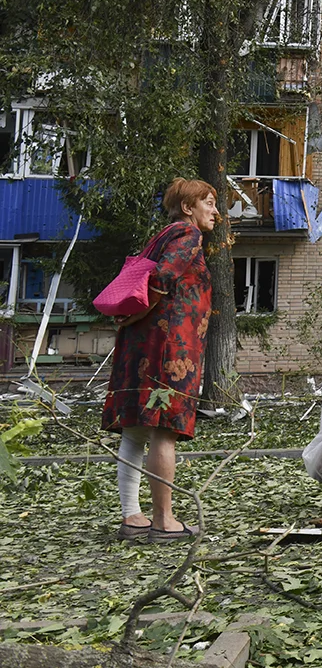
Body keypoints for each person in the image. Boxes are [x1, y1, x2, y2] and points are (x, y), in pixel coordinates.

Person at [103, 178, 218, 543]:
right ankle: (163, 521)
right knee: (164, 430)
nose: (215, 211)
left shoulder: (163, 233)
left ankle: (131, 517)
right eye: (209, 203)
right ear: (188, 207)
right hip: (170, 350)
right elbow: (161, 280)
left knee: (136, 429)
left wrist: (131, 319)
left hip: (141, 347)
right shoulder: (186, 234)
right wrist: (137, 313)